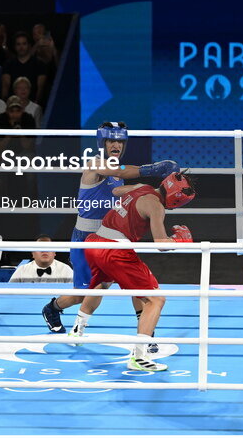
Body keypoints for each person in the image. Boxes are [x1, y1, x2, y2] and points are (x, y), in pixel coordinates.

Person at [41, 122, 180, 351]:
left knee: (137, 285)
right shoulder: (95, 164)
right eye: (111, 141)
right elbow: (118, 171)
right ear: (101, 143)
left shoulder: (118, 175)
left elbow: (117, 189)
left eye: (120, 141)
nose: (116, 145)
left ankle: (146, 335)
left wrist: (142, 189)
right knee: (82, 295)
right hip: (86, 238)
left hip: (112, 238)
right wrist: (153, 169)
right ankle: (53, 308)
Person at [70, 171, 197, 372]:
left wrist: (131, 200)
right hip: (114, 249)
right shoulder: (156, 206)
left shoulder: (141, 188)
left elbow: (117, 190)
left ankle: (77, 330)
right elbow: (161, 244)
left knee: (103, 283)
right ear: (178, 198)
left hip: (95, 241)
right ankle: (139, 357)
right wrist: (181, 239)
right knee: (156, 299)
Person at [9, 235, 73, 283]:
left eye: (48, 248)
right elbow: (9, 293)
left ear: (54, 253)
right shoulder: (22, 270)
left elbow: (74, 295)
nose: (44, 251)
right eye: (40, 247)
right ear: (33, 253)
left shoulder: (66, 269)